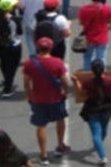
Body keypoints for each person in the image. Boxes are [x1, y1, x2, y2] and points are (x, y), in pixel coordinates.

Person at [22, 36, 72, 165]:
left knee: (41, 125)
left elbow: (26, 82)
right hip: (55, 98)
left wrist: (28, 95)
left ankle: (43, 154)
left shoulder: (30, 63)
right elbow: (65, 81)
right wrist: (65, 92)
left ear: (38, 48)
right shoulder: (57, 62)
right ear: (51, 48)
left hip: (38, 99)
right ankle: (60, 145)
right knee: (60, 120)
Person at [74, 60, 111, 166]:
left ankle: (103, 156)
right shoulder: (110, 81)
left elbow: (81, 92)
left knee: (96, 134)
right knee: (103, 131)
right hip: (107, 109)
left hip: (92, 109)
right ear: (103, 69)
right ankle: (99, 146)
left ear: (92, 71)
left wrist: (76, 81)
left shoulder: (88, 83)